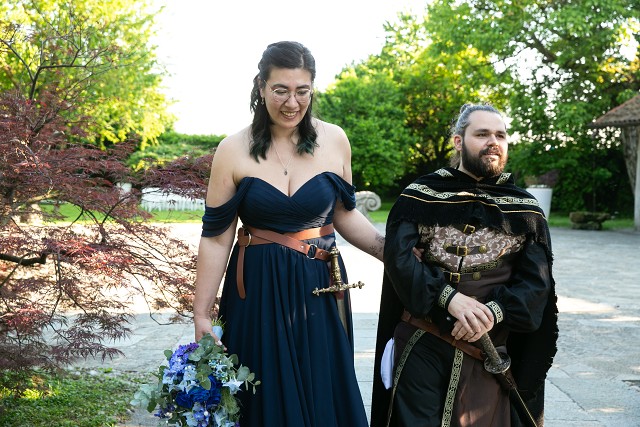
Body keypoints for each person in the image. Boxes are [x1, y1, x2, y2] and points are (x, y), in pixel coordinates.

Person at [193, 41, 384, 427]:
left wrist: (392, 251)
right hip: (257, 290)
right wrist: (201, 313)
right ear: (261, 87)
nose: (292, 102)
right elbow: (216, 237)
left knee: (322, 388)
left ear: (313, 89)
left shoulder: (335, 140)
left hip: (320, 285)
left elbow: (345, 214)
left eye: (302, 91)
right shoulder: (232, 150)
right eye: (280, 90)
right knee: (263, 394)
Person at [370, 103, 558, 427]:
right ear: (459, 142)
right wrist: (450, 300)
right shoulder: (420, 196)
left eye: (500, 135)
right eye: (482, 134)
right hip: (422, 344)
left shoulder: (525, 210)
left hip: (487, 351)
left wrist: (491, 313)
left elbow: (535, 285)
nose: (493, 142)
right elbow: (400, 261)